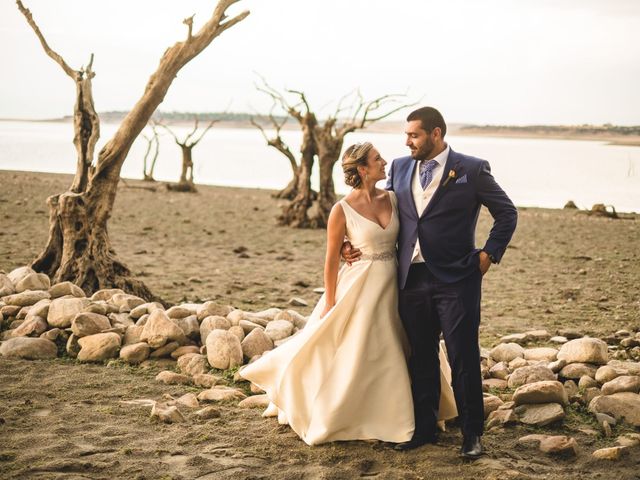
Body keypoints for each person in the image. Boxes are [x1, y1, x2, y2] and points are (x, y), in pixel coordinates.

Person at [240, 142, 457, 446]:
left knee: (402, 345)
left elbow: (414, 231)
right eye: (377, 159)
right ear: (362, 169)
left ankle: (414, 411)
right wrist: (330, 301)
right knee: (359, 347)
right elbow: (330, 259)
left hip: (397, 281)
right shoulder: (341, 209)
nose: (384, 161)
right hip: (360, 283)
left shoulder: (394, 198)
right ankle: (352, 413)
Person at [344, 107, 517, 458]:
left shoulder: (472, 168)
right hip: (410, 278)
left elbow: (507, 212)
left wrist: (488, 255)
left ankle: (472, 435)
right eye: (407, 135)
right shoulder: (399, 167)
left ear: (436, 134)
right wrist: (352, 240)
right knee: (419, 355)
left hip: (457, 279)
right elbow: (381, 209)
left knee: (462, 357)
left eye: (414, 135)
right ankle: (424, 429)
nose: (407, 141)